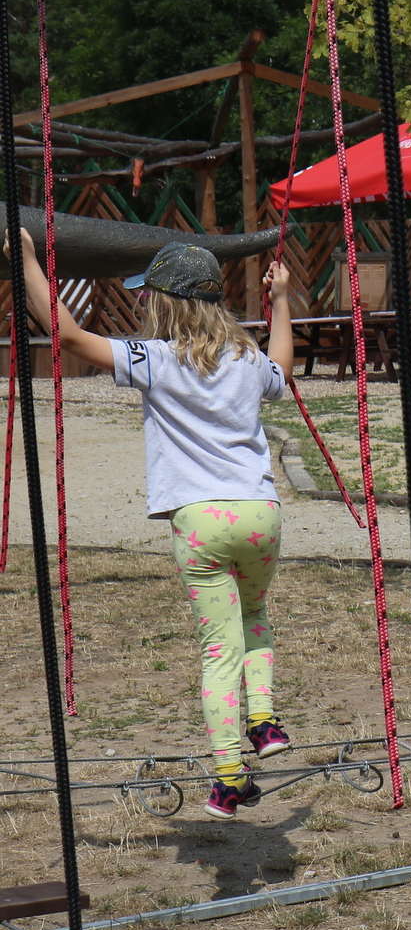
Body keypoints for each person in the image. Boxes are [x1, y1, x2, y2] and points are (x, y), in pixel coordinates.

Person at [14, 231, 294, 819]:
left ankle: (226, 777)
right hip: (261, 514)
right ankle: (264, 722)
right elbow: (284, 374)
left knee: (220, 648)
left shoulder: (155, 360)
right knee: (255, 618)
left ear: (163, 303)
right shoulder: (247, 360)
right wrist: (283, 301)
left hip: (201, 522)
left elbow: (65, 334)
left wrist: (29, 263)